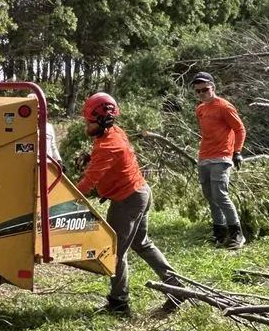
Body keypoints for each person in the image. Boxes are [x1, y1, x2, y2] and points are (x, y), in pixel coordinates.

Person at [75, 93, 180, 315]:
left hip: (128, 200)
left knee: (114, 251)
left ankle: (119, 303)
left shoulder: (108, 146)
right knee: (142, 244)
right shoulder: (113, 133)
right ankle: (177, 287)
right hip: (140, 192)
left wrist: (62, 199)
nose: (86, 124)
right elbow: (109, 159)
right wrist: (89, 158)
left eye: (89, 121)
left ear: (102, 121)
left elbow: (88, 183)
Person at [190, 72, 247, 250]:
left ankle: (237, 234)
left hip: (222, 157)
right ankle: (219, 233)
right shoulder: (200, 109)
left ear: (213, 87)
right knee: (210, 197)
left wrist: (237, 151)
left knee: (220, 195)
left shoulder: (224, 106)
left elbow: (239, 129)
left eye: (205, 90)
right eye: (198, 91)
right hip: (204, 157)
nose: (202, 94)